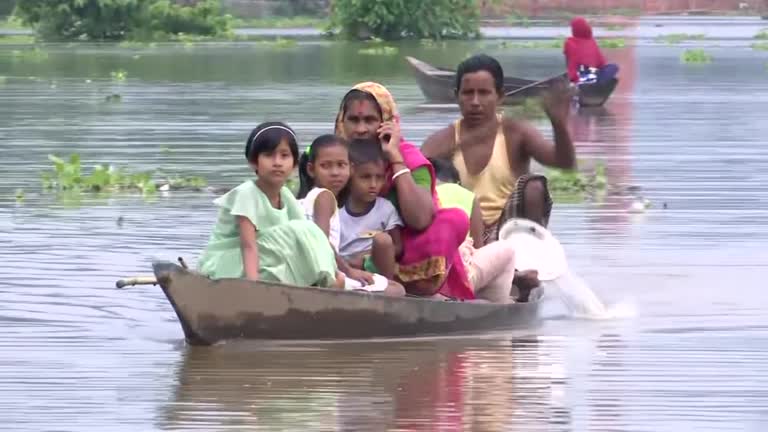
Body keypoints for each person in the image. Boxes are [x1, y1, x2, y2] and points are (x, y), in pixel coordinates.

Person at [335, 82, 473, 300]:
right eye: (353, 120)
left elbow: (420, 219)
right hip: (341, 249)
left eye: (370, 120)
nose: (361, 129)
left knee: (454, 220)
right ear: (342, 121)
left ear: (387, 122)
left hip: (403, 254)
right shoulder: (332, 155)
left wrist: (395, 158)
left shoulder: (410, 158)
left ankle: (380, 275)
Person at [421, 53, 576, 244]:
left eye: (484, 93)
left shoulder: (516, 132)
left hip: (509, 234)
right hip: (464, 234)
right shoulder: (441, 142)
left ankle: (530, 254)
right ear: (456, 96)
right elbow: (414, 184)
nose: (475, 102)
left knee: (534, 187)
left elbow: (565, 163)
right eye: (468, 93)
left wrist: (559, 125)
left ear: (500, 96)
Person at [196, 121, 342, 288]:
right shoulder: (247, 194)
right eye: (269, 155)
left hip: (262, 263)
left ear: (294, 164)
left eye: (284, 156)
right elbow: (248, 246)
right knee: (302, 230)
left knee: (309, 231)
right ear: (254, 162)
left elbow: (306, 238)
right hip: (227, 265)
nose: (277, 162)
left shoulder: (285, 196)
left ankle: (327, 281)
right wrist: (255, 289)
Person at [298, 134, 406, 296]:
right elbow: (321, 242)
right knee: (397, 290)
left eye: (341, 165)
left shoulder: (308, 198)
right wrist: (348, 270)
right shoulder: (325, 197)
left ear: (350, 168)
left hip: (321, 271)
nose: (335, 172)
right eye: (326, 166)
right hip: (328, 274)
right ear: (311, 170)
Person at [430, 157, 539, 303]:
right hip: (453, 275)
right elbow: (478, 248)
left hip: (421, 273)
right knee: (506, 250)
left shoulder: (417, 196)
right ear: (457, 182)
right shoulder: (467, 196)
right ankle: (499, 303)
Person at [338, 138, 403, 281]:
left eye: (379, 177)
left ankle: (386, 287)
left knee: (383, 240)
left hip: (375, 270)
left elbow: (397, 247)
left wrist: (366, 257)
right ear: (349, 176)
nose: (373, 184)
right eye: (365, 177)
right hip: (344, 271)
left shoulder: (385, 209)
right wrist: (347, 265)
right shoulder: (336, 211)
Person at [564, 17, 620, 85]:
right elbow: (601, 62)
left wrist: (573, 78)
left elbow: (570, 62)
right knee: (613, 67)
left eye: (572, 28)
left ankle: (592, 79)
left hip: (588, 72)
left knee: (613, 66)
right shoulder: (589, 40)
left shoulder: (570, 42)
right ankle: (595, 80)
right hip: (585, 72)